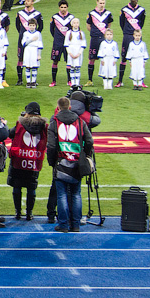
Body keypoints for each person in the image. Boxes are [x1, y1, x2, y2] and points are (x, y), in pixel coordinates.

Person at [47, 97, 93, 232]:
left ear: (58, 107)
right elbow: (89, 141)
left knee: (61, 195)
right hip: (77, 163)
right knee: (76, 194)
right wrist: (86, 155)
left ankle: (63, 224)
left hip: (61, 161)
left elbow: (51, 146)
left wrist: (52, 161)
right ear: (70, 107)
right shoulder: (80, 121)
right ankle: (76, 224)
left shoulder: (54, 122)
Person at [8, 102, 47, 221]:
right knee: (31, 187)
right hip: (34, 161)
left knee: (17, 186)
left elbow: (10, 134)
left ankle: (18, 212)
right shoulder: (44, 126)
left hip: (19, 160)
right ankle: (29, 213)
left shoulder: (20, 123)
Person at [117, 0, 146, 88]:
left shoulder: (141, 10)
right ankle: (120, 81)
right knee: (124, 57)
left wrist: (137, 32)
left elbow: (142, 22)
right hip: (127, 35)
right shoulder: (124, 10)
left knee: (140, 57)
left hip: (137, 35)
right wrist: (126, 31)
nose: (135, 1)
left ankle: (140, 81)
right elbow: (121, 23)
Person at [86, 0, 113, 83]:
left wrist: (104, 33)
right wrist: (95, 32)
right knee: (92, 58)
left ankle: (105, 78)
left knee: (105, 58)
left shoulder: (108, 13)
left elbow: (109, 24)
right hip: (94, 38)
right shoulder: (92, 13)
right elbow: (88, 26)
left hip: (103, 39)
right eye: (100, 3)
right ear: (97, 2)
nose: (102, 5)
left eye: (103, 3)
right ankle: (90, 80)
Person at [48, 0, 76, 87]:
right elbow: (51, 29)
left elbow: (74, 29)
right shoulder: (55, 17)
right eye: (61, 7)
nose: (63, 9)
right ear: (59, 7)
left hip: (68, 44)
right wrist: (57, 37)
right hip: (57, 43)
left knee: (68, 61)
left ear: (67, 7)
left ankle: (69, 80)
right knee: (55, 61)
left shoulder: (71, 17)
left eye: (65, 7)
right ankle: (53, 81)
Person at [64, 18, 87, 86]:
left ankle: (77, 83)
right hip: (71, 52)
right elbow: (66, 44)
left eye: (77, 23)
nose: (76, 24)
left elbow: (83, 44)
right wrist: (70, 53)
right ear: (71, 24)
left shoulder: (81, 33)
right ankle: (73, 83)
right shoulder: (68, 33)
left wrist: (79, 53)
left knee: (77, 67)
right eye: (74, 23)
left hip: (78, 52)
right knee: (71, 67)